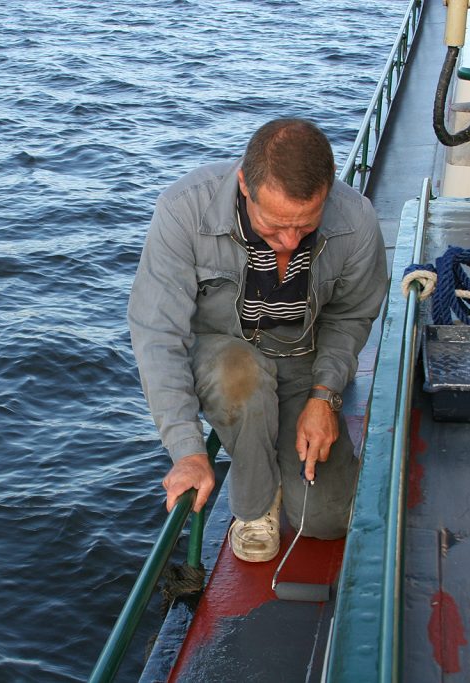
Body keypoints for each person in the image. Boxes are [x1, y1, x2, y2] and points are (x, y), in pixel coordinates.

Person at [128, 118, 387, 562]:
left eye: (306, 226)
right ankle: (255, 504)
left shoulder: (356, 219)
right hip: (223, 355)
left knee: (326, 523)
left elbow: (351, 316)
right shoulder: (182, 210)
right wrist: (187, 450)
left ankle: (300, 461)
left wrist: (324, 396)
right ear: (245, 184)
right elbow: (157, 334)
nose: (288, 242)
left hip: (301, 358)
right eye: (274, 225)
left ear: (329, 191)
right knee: (241, 376)